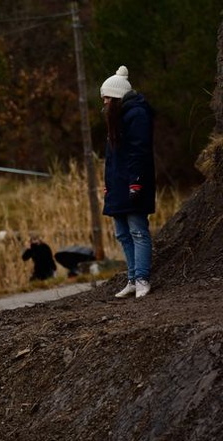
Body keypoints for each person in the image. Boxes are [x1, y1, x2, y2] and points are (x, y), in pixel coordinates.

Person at [100, 66, 155, 299]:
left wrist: (136, 183)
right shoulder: (117, 117)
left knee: (138, 231)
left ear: (117, 97)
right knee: (122, 233)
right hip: (118, 184)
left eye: (106, 97)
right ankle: (132, 279)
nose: (103, 101)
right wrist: (108, 183)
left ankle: (142, 278)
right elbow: (111, 157)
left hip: (133, 183)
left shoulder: (137, 115)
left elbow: (138, 153)